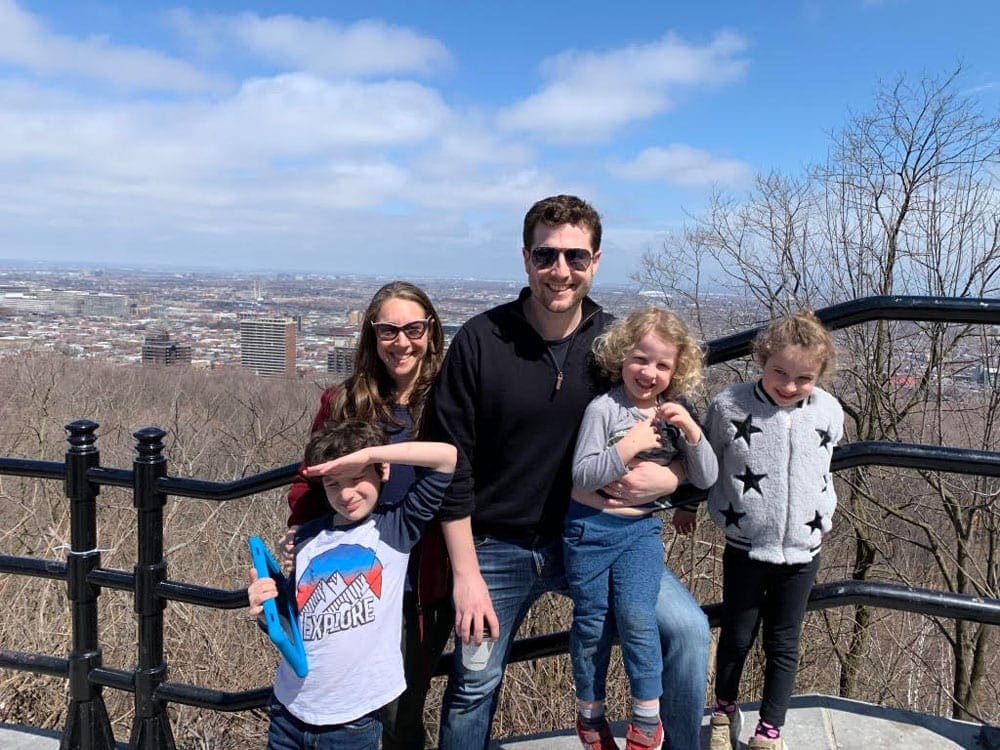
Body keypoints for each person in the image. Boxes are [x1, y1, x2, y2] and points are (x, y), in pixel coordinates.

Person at [426, 194, 712, 750]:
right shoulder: (481, 341)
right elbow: (450, 463)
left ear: (596, 261)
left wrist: (673, 481)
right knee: (472, 683)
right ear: (526, 257)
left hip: (603, 535)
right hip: (496, 546)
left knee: (689, 633)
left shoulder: (616, 345)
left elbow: (686, 435)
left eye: (576, 257)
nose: (561, 271)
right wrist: (466, 574)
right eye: (547, 255)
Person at [285, 280, 451, 750]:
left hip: (423, 576)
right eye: (388, 330)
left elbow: (459, 472)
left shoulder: (450, 398)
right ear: (372, 337)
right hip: (351, 574)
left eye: (414, 328)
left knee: (402, 707)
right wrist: (302, 529)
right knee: (343, 700)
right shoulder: (343, 401)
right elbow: (311, 478)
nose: (401, 342)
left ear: (431, 331)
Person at [249, 420, 456, 750]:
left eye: (357, 478)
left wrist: (372, 453)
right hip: (290, 708)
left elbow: (446, 458)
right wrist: (266, 611)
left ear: (380, 471)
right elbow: (298, 617)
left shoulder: (395, 527)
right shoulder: (306, 537)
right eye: (332, 484)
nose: (346, 494)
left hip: (353, 718)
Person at [566, 308, 718, 750]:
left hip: (638, 534)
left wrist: (691, 431)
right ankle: (590, 715)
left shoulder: (674, 415)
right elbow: (583, 475)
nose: (649, 373)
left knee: (636, 617)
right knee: (592, 623)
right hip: (589, 531)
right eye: (640, 359)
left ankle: (647, 719)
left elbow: (706, 477)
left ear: (676, 371)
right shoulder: (604, 409)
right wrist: (628, 447)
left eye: (662, 365)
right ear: (621, 358)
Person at [703, 311, 844, 750]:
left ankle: (770, 729)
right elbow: (706, 462)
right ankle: (724, 713)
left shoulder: (827, 409)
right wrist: (690, 506)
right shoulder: (729, 406)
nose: (788, 385)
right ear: (760, 360)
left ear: (819, 375)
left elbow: (823, 467)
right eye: (779, 371)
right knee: (737, 636)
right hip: (746, 545)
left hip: (804, 549)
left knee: (784, 642)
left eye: (803, 377)